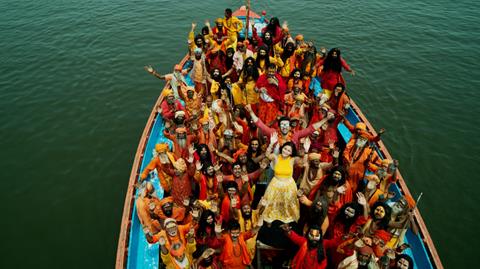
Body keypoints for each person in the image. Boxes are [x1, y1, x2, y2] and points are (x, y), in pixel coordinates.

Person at [261, 136, 302, 224]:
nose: (286, 151)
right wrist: (271, 144)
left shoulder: (292, 160)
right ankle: (270, 220)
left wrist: (305, 150)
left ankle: (286, 221)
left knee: (287, 205)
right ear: (282, 148)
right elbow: (267, 155)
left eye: (289, 150)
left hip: (289, 185)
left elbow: (303, 161)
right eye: (285, 148)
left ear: (291, 153)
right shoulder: (276, 157)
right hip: (275, 184)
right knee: (272, 204)